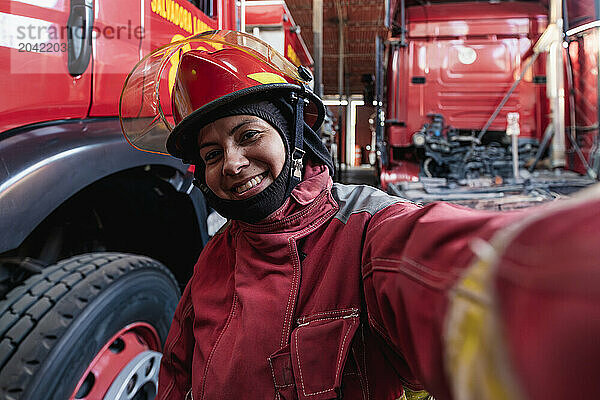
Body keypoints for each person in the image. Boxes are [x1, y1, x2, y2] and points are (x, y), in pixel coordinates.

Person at [120, 31, 600, 400]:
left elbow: (456, 272)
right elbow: (177, 377)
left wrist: (558, 276)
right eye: (210, 152)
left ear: (292, 134)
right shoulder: (214, 260)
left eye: (248, 135)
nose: (231, 163)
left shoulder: (368, 229)